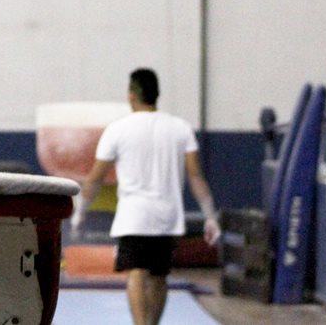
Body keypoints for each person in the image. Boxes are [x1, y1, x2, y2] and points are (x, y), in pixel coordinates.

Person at [72, 68, 221, 325]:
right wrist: (210, 217)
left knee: (137, 273)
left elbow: (96, 178)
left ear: (131, 95)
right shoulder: (180, 128)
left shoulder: (117, 130)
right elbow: (196, 176)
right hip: (168, 217)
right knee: (159, 276)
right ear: (156, 95)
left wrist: (79, 212)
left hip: (135, 217)